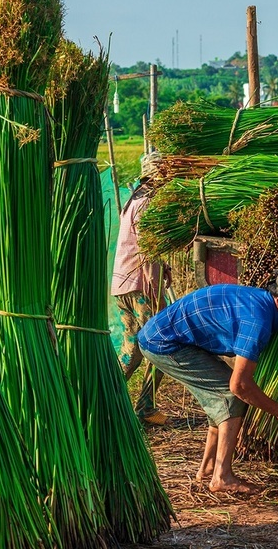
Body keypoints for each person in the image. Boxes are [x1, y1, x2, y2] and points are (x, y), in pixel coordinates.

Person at [138, 267, 278, 494]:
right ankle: (222, 477)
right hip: (164, 343)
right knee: (230, 396)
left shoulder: (261, 305)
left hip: (173, 338)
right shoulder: (257, 321)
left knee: (218, 396)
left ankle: (209, 468)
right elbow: (240, 386)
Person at [111, 151, 170, 426]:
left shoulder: (134, 198)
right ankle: (145, 408)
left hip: (122, 284)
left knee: (132, 347)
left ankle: (108, 398)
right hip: (140, 287)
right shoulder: (148, 202)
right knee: (164, 343)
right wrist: (156, 292)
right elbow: (147, 252)